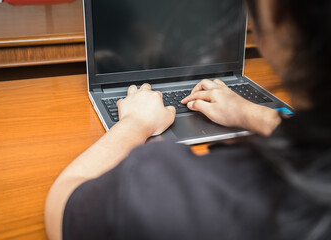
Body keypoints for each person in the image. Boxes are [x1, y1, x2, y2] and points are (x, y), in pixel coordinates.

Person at [45, 0, 331, 239]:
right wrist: (250, 113)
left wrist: (134, 125)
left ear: (275, 10)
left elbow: (63, 204)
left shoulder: (170, 191)